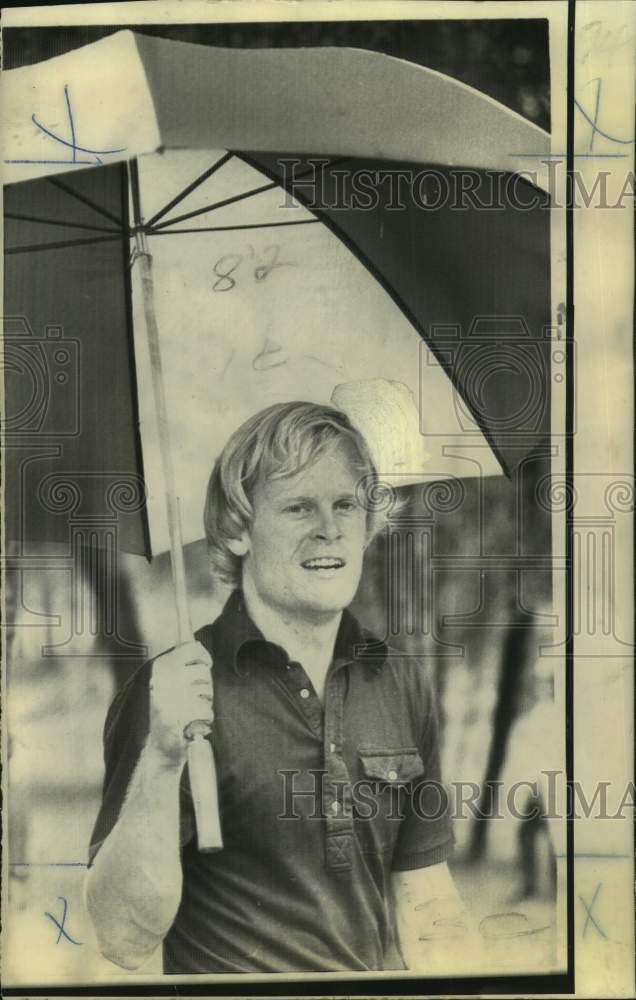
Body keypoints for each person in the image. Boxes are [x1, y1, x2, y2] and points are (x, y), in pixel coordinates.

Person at [85, 401, 478, 974]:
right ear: (239, 530)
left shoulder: (396, 679)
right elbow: (122, 938)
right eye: (299, 506)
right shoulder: (173, 693)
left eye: (346, 504)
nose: (330, 528)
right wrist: (166, 753)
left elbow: (425, 898)